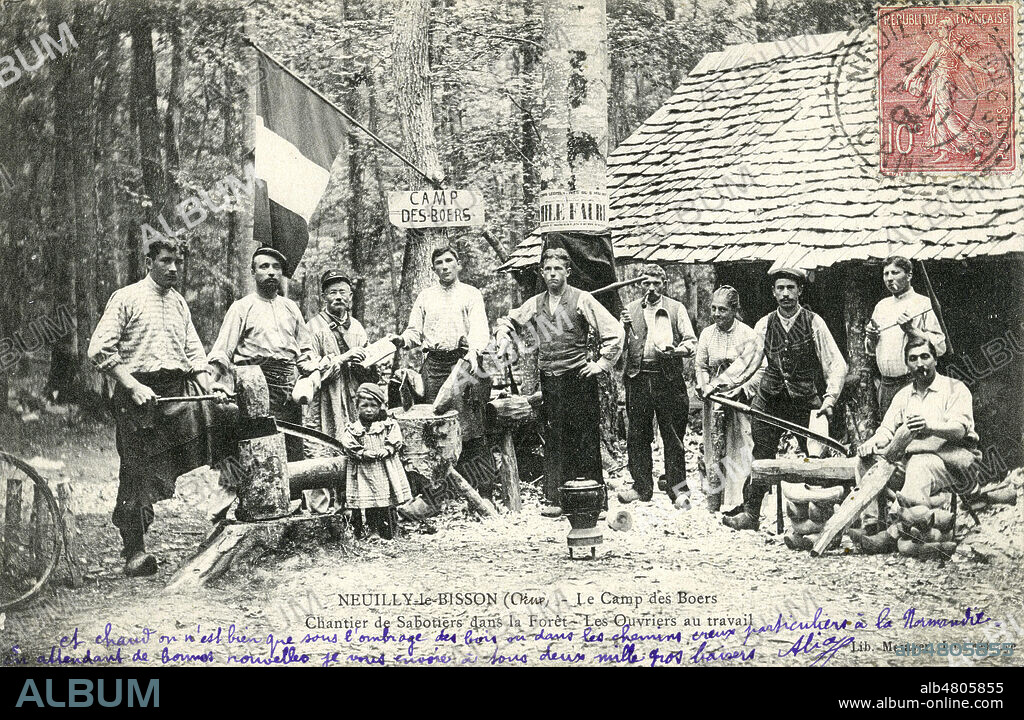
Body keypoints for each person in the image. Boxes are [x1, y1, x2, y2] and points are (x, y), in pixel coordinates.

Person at [87, 239, 229, 576]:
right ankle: (134, 550)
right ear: (148, 260)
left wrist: (210, 388)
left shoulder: (179, 303)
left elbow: (194, 353)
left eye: (178, 262)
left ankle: (228, 523)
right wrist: (133, 385)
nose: (173, 268)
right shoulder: (127, 298)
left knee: (221, 433)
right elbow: (99, 349)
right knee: (137, 470)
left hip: (176, 393)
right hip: (136, 396)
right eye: (165, 261)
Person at [496, 247, 624, 516]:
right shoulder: (535, 303)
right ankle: (556, 500)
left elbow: (614, 332)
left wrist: (600, 364)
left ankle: (594, 503)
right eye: (548, 270)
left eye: (558, 269)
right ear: (542, 273)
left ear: (567, 272)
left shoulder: (581, 299)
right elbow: (508, 320)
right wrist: (503, 336)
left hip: (578, 379)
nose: (553, 274)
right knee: (555, 438)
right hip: (550, 381)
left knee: (585, 437)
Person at [724, 267, 848, 531]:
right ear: (773, 292)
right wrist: (717, 385)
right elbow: (746, 362)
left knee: (816, 458)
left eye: (791, 288)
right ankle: (751, 514)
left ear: (800, 290)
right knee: (761, 457)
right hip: (770, 399)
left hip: (805, 400)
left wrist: (830, 399)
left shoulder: (814, 322)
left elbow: (835, 363)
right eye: (780, 288)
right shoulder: (764, 324)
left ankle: (824, 516)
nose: (785, 294)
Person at [389, 246, 495, 501]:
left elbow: (480, 330)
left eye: (449, 261)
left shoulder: (471, 294)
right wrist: (401, 340)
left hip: (463, 364)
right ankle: (439, 495)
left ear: (458, 265)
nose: (445, 266)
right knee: (435, 428)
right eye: (439, 262)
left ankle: (483, 493)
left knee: (470, 429)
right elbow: (414, 332)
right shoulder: (426, 296)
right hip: (434, 365)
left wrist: (472, 354)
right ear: (433, 268)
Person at [209, 247, 316, 462]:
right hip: (254, 387)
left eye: (276, 267)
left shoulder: (291, 308)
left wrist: (311, 373)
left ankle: (292, 496)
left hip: (288, 389)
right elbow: (221, 353)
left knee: (291, 450)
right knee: (259, 450)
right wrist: (209, 383)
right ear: (253, 272)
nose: (271, 272)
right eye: (264, 266)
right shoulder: (241, 308)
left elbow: (305, 351)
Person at [858, 337, 979, 510]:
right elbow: (886, 429)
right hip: (910, 460)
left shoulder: (954, 388)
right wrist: (872, 442)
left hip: (952, 462)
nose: (919, 363)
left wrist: (929, 427)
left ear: (935, 359)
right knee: (864, 462)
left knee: (919, 464)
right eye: (913, 359)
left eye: (925, 356)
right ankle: (872, 524)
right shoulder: (903, 395)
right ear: (907, 365)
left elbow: (959, 430)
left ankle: (909, 523)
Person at [617, 264, 697, 505]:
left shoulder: (676, 308)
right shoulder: (629, 311)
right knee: (637, 435)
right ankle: (641, 487)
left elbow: (691, 342)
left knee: (673, 435)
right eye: (646, 283)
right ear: (640, 284)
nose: (651, 288)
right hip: (638, 379)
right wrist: (622, 326)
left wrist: (676, 351)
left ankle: (678, 488)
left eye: (656, 283)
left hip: (668, 379)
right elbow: (619, 347)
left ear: (664, 284)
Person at [302, 270, 371, 512]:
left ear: (350, 296)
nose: (338, 297)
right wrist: (342, 359)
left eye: (343, 292)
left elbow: (368, 367)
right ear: (323, 296)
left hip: (352, 400)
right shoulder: (313, 327)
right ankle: (319, 512)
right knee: (320, 451)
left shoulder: (358, 328)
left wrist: (368, 364)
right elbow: (309, 369)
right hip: (325, 402)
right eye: (332, 292)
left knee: (353, 448)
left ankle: (351, 509)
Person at [695, 286, 763, 514]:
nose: (716, 314)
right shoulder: (707, 334)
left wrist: (742, 389)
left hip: (738, 398)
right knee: (714, 448)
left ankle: (737, 501)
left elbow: (758, 368)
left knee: (740, 447)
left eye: (722, 310)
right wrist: (704, 384)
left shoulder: (747, 334)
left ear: (734, 310)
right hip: (713, 399)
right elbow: (701, 365)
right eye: (713, 308)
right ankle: (714, 497)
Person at [903, 16, 998, 163]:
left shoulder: (944, 46)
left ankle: (974, 144)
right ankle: (944, 152)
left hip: (943, 83)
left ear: (948, 29)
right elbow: (923, 63)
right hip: (939, 84)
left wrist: (986, 71)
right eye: (939, 27)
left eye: (942, 27)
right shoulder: (949, 46)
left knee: (947, 117)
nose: (939, 30)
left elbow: (970, 64)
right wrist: (987, 71)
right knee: (938, 117)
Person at [865, 256, 946, 418]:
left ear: (909, 275)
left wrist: (911, 330)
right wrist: (871, 337)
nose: (889, 278)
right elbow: (871, 350)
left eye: (895, 272)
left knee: (915, 433)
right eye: (885, 274)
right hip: (887, 384)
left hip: (913, 382)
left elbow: (940, 347)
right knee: (888, 433)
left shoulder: (923, 303)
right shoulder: (882, 306)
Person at [339, 382, 413, 540]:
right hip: (363, 471)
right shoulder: (354, 428)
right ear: (357, 406)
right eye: (364, 405)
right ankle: (370, 531)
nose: (369, 410)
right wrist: (362, 453)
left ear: (380, 406)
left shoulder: (387, 425)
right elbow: (347, 443)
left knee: (386, 500)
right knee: (368, 502)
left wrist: (387, 449)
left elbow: (396, 438)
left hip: (384, 469)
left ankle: (390, 530)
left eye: (373, 405)